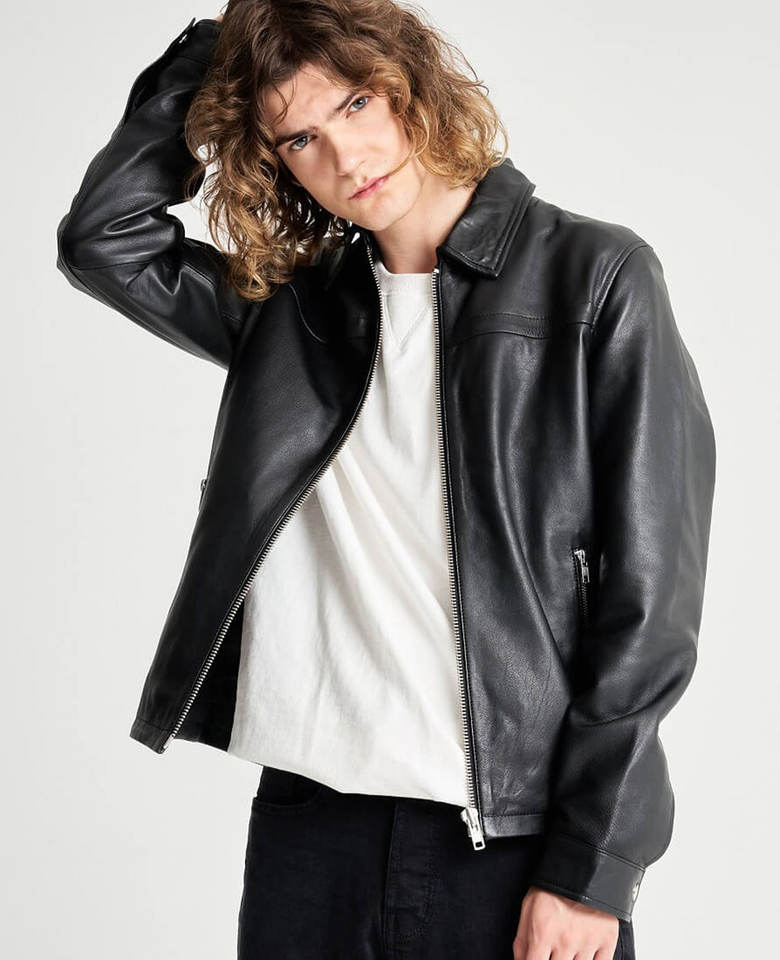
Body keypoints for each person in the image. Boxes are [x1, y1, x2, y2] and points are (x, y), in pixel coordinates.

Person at [55, 2, 716, 958]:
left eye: (357, 103)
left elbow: (652, 606)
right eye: (300, 138)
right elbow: (103, 241)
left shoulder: (595, 277)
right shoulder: (293, 314)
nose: (345, 155)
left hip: (511, 838)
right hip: (308, 831)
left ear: (409, 81)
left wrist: (593, 867)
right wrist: (219, 51)